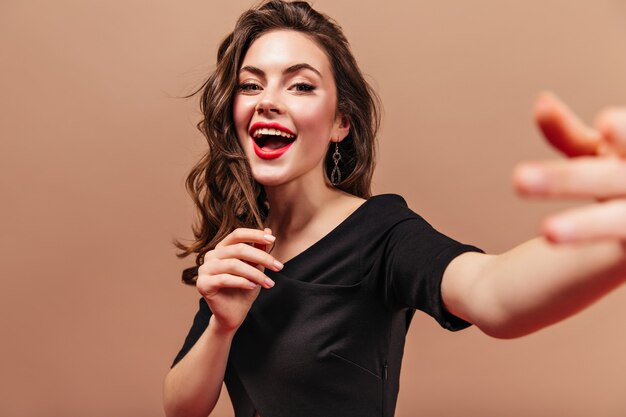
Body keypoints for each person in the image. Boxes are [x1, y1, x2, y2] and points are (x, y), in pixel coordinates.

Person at [162, 1, 626, 416]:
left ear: (341, 122)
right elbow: (182, 407)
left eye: (300, 86)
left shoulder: (380, 231)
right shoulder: (242, 246)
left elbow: (493, 292)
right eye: (251, 85)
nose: (268, 101)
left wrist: (612, 242)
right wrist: (222, 326)